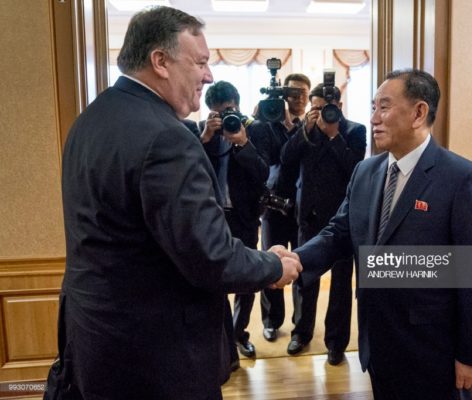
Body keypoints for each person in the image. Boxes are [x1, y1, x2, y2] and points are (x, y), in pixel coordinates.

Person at [52, 7, 301, 400]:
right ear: (160, 62)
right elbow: (210, 257)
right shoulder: (166, 137)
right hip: (155, 359)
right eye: (200, 62)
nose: (209, 75)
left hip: (95, 343)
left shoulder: (90, 120)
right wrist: (272, 264)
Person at [292, 69, 472, 399]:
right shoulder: (366, 171)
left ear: (419, 112)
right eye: (373, 107)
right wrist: (294, 260)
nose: (373, 117)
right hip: (378, 343)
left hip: (434, 350)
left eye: (384, 107)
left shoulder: (462, 179)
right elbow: (340, 232)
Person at [280, 84, 366, 364]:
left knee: (341, 285)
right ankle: (301, 333)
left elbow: (356, 169)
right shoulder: (305, 130)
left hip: (341, 220)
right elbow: (286, 159)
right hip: (309, 215)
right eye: (314, 107)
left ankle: (336, 343)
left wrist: (334, 136)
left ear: (339, 107)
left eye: (325, 108)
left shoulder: (355, 131)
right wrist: (306, 130)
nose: (319, 113)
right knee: (304, 278)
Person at [197, 81, 269, 360]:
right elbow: (190, 169)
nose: (225, 116)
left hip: (245, 216)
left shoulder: (255, 129)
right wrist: (204, 138)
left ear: (237, 105)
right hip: (212, 218)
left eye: (228, 110)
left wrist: (243, 143)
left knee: (247, 278)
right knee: (215, 279)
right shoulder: (201, 132)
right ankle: (224, 341)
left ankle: (239, 333)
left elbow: (263, 172)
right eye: (218, 112)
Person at [253, 73, 312, 342]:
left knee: (301, 268)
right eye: (292, 93)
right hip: (274, 205)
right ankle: (271, 320)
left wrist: (298, 128)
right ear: (284, 96)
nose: (297, 98)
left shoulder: (315, 125)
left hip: (304, 208)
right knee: (271, 263)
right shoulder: (268, 122)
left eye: (303, 93)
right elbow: (272, 158)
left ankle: (301, 328)